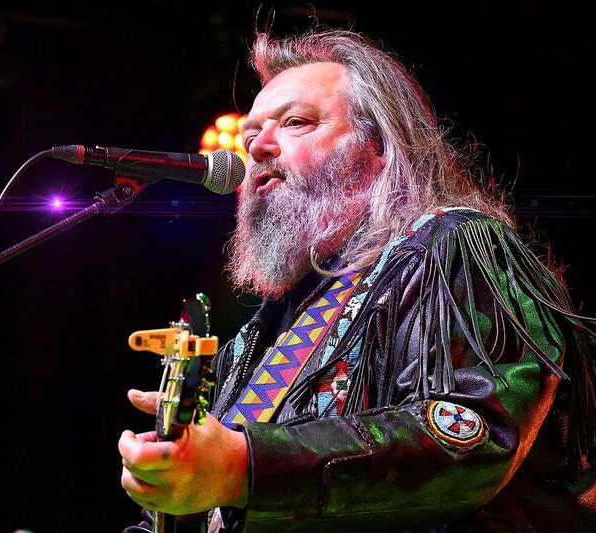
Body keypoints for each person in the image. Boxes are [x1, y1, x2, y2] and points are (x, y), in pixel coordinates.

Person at [118, 27, 596, 532]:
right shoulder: (259, 336)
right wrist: (174, 483)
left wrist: (244, 465)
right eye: (250, 135)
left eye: (296, 123)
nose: (258, 148)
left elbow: (474, 436)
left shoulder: (453, 248)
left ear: (379, 146)